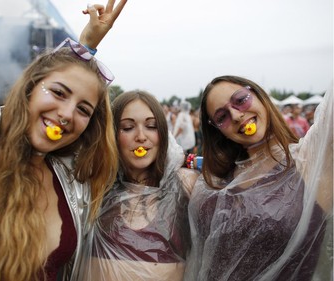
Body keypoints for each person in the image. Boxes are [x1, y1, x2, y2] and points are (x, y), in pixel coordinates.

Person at [0, 1, 127, 280]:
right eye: (59, 93)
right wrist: (83, 46)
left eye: (83, 109)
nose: (66, 115)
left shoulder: (73, 182)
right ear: (29, 89)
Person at [184, 76, 332, 281]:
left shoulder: (310, 161)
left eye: (240, 100)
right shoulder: (216, 180)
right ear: (218, 130)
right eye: (222, 116)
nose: (236, 115)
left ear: (259, 96)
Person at [82, 90, 199, 281]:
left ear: (162, 132)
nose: (141, 137)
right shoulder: (95, 185)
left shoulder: (186, 183)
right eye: (127, 128)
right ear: (112, 135)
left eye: (151, 126)